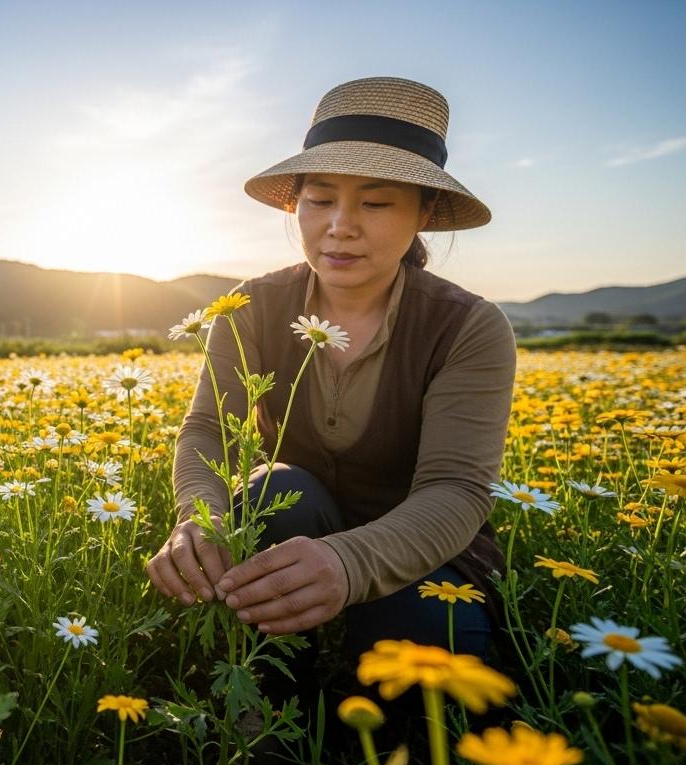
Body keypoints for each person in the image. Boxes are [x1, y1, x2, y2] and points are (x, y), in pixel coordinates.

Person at [145, 77, 517, 726]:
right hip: (295, 527)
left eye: (376, 202)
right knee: (273, 491)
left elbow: (457, 489)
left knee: (424, 660)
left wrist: (348, 562)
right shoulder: (250, 307)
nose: (340, 227)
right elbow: (207, 430)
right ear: (296, 205)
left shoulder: (468, 327)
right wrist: (201, 517)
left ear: (424, 212)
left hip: (423, 549)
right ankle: (264, 717)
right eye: (319, 199)